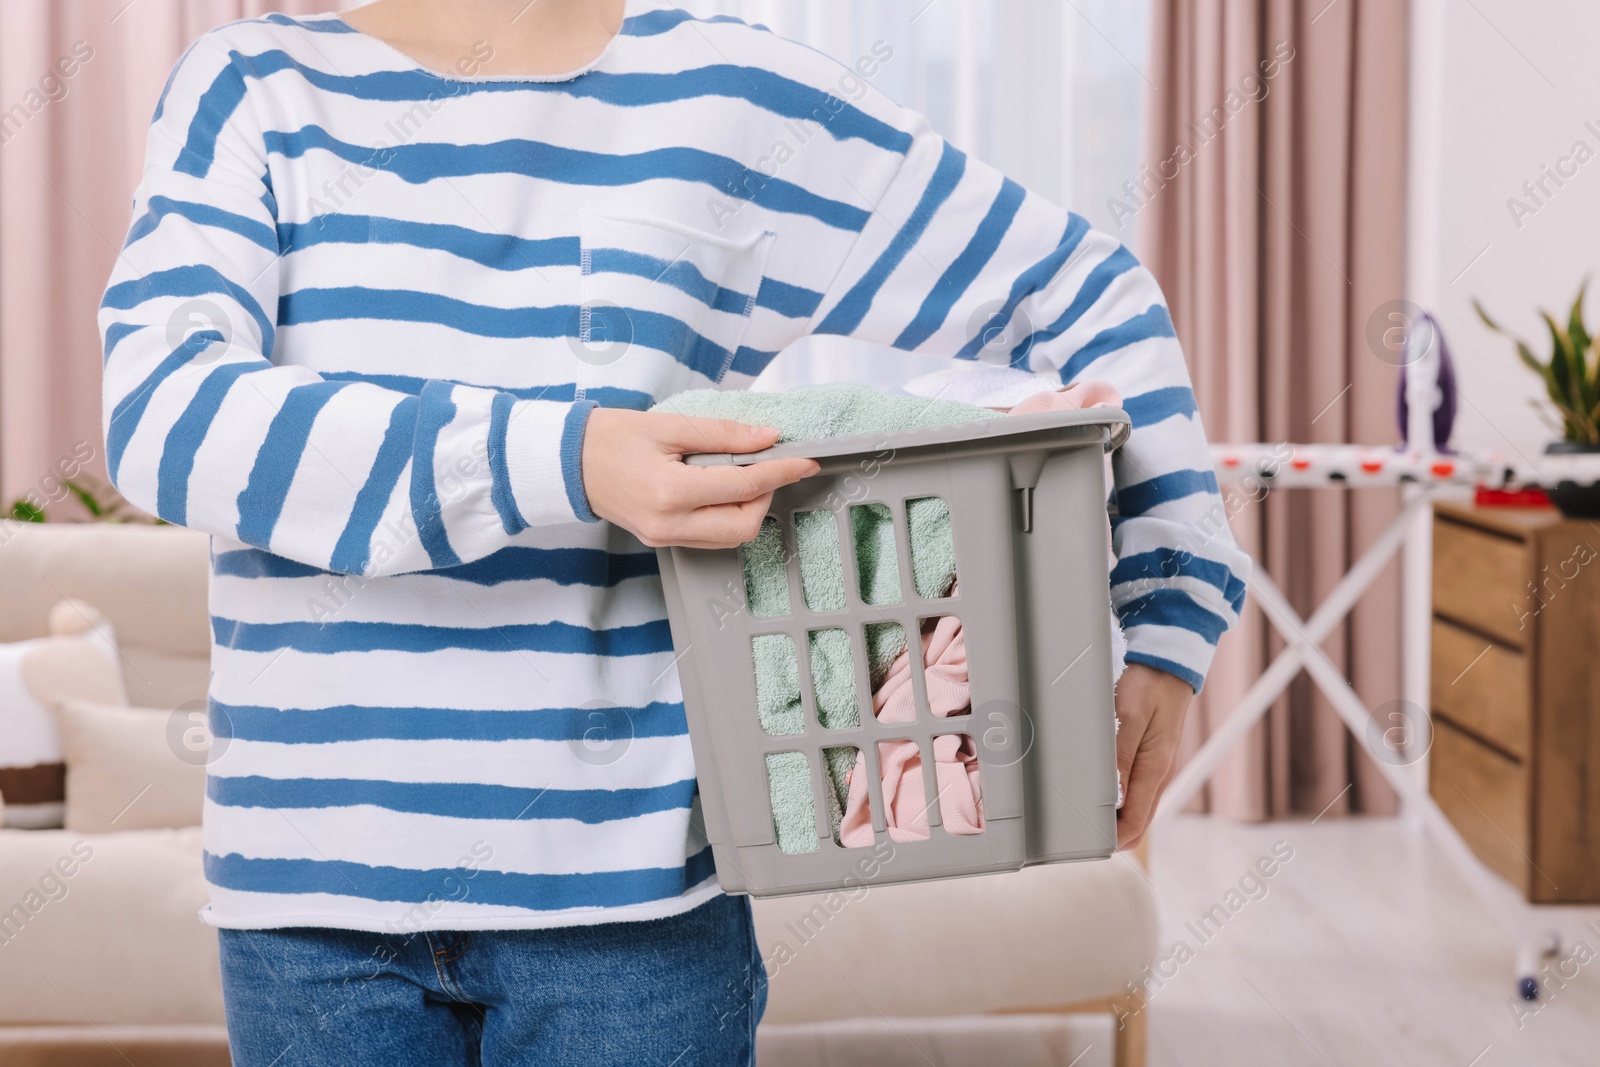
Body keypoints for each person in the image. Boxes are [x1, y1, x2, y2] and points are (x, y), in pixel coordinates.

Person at [99, 0, 1249, 1062]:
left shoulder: (732, 98)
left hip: (633, 907)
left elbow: (1089, 289)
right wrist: (569, 456)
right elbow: (164, 415)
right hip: (310, 913)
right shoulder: (250, 88)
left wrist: (1168, 603)